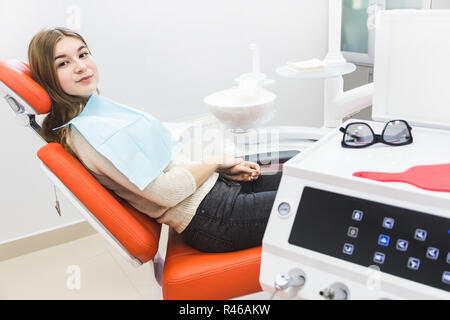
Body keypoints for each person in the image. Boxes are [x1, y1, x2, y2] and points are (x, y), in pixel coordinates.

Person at [28, 27, 283, 253]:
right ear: (47, 77)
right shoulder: (90, 134)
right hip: (212, 218)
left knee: (301, 174)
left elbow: (168, 163)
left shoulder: (96, 111)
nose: (81, 66)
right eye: (63, 63)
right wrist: (215, 162)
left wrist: (223, 172)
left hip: (216, 193)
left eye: (83, 54)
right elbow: (167, 193)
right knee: (315, 200)